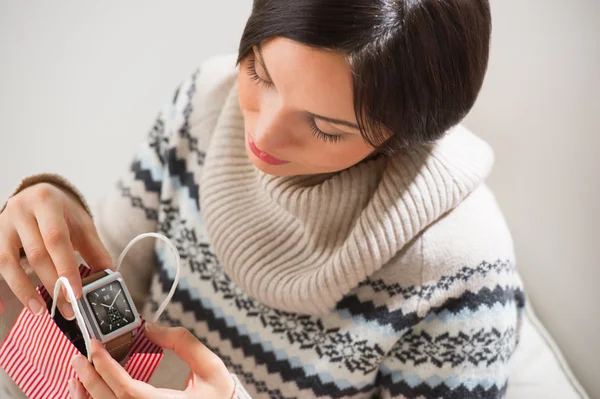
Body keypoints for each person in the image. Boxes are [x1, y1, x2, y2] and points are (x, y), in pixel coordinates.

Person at [0, 0, 525, 398]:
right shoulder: (205, 103)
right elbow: (107, 287)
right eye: (260, 73)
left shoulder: (464, 269)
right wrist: (44, 225)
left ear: (402, 135)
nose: (264, 137)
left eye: (324, 126)